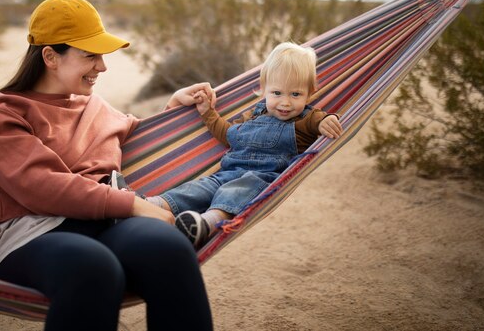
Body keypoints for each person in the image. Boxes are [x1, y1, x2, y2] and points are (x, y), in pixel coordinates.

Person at [0, 0, 214, 331]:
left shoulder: (94, 107)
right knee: (93, 269)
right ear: (51, 56)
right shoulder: (0, 111)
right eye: (90, 56)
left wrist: (174, 108)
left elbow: (138, 137)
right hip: (34, 233)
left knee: (169, 249)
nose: (102, 66)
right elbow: (38, 185)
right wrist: (131, 205)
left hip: (107, 224)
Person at [147, 42, 343, 248]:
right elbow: (228, 134)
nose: (285, 102)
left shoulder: (306, 119)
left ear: (309, 94)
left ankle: (206, 225)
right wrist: (207, 112)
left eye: (295, 94)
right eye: (277, 93)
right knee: (197, 188)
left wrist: (326, 120)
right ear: (263, 89)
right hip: (226, 172)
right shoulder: (253, 115)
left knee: (234, 193)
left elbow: (321, 120)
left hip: (261, 178)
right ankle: (151, 204)